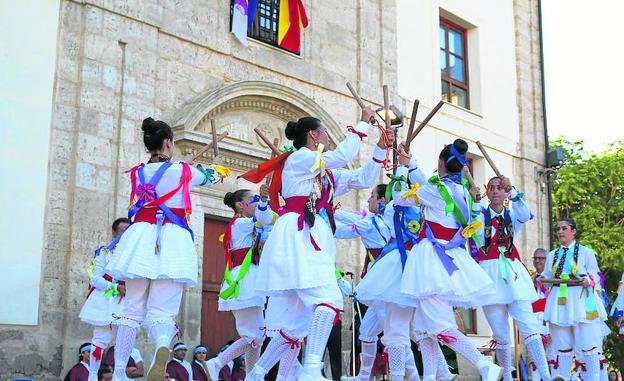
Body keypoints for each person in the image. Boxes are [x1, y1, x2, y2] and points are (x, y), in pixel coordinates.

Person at [239, 108, 393, 381]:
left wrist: (380, 150)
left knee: (295, 325)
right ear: (313, 135)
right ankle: (311, 368)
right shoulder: (301, 158)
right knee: (329, 300)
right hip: (299, 234)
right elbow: (342, 156)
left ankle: (257, 373)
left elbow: (363, 178)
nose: (327, 137)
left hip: (310, 237)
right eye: (324, 132)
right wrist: (363, 122)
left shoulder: (324, 173)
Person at [105, 117, 227, 381]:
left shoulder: (138, 172)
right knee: (163, 310)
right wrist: (217, 168)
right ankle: (162, 347)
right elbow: (212, 177)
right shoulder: (182, 171)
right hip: (171, 239)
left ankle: (117, 373)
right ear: (169, 143)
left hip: (140, 238)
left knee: (131, 309)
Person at [396, 139, 502, 381]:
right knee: (424, 330)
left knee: (440, 327)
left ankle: (483, 365)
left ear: (440, 163)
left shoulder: (435, 190)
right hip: (449, 256)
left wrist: (403, 168)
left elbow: (401, 198)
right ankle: (431, 377)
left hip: (433, 259)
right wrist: (410, 163)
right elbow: (422, 185)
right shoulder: (461, 191)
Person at [474, 177, 552, 381]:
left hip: (513, 274)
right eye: (491, 188)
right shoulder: (480, 216)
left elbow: (526, 215)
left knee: (529, 326)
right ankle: (507, 377)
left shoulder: (512, 214)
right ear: (486, 191)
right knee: (500, 333)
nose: (496, 191)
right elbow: (474, 231)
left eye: (500, 188)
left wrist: (514, 192)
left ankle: (546, 375)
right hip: (489, 274)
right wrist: (474, 202)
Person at [205, 184, 273, 379]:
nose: (255, 203)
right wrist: (265, 201)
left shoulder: (242, 225)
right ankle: (217, 362)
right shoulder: (242, 223)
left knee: (254, 336)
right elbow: (265, 220)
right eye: (251, 200)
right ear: (240, 206)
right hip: (246, 279)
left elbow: (265, 227)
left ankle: (252, 376)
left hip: (245, 278)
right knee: (255, 335)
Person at [538, 218, 605, 381]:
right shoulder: (553, 255)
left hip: (581, 300)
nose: (560, 231)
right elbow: (547, 275)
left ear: (573, 231)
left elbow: (595, 274)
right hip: (558, 302)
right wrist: (541, 279)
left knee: (589, 345)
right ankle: (562, 377)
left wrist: (588, 280)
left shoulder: (586, 252)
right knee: (562, 346)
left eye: (564, 228)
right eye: (558, 229)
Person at [79, 217, 129, 381]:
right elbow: (95, 279)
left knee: (125, 343)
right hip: (106, 302)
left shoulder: (136, 254)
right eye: (122, 230)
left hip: (128, 304)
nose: (125, 234)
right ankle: (92, 376)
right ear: (114, 232)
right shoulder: (104, 253)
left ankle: (119, 377)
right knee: (99, 342)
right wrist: (115, 287)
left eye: (129, 231)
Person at [530, 248, 551, 381]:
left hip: (547, 320)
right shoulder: (529, 279)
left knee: (551, 356)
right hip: (532, 320)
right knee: (535, 356)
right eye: (535, 258)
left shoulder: (551, 278)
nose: (537, 260)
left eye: (541, 258)